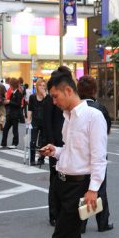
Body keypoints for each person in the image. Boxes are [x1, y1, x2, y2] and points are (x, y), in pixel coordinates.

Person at [11, 66, 107, 238]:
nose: (53, 101)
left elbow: (98, 158)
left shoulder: (93, 117)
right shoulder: (68, 118)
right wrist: (56, 150)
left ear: (68, 90)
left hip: (80, 187)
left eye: (55, 96)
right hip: (64, 184)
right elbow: (73, 151)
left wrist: (93, 189)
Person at [77, 75, 113, 233]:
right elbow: (107, 130)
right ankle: (102, 223)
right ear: (94, 90)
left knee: (82, 188)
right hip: (97, 152)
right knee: (100, 188)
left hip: (81, 154)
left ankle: (81, 224)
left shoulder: (76, 109)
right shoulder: (100, 109)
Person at [43, 78, 65, 227]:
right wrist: (50, 143)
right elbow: (47, 123)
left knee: (63, 179)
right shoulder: (50, 100)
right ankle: (54, 214)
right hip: (55, 143)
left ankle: (61, 213)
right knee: (55, 179)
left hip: (63, 142)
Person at [0, 78, 23, 149]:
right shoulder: (12, 93)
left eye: (10, 85)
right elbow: (11, 102)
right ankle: (3, 143)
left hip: (15, 114)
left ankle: (14, 143)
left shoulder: (19, 93)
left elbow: (18, 104)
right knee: (5, 129)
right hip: (10, 114)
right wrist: (5, 101)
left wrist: (9, 102)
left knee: (15, 130)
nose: (10, 86)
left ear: (13, 85)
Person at [27, 78, 47, 165]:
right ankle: (32, 159)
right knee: (33, 141)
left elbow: (49, 107)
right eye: (40, 85)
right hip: (35, 120)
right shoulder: (32, 97)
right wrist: (28, 120)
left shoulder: (47, 97)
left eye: (43, 86)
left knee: (43, 140)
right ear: (37, 86)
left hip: (44, 121)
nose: (42, 87)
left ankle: (41, 158)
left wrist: (45, 95)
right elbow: (30, 109)